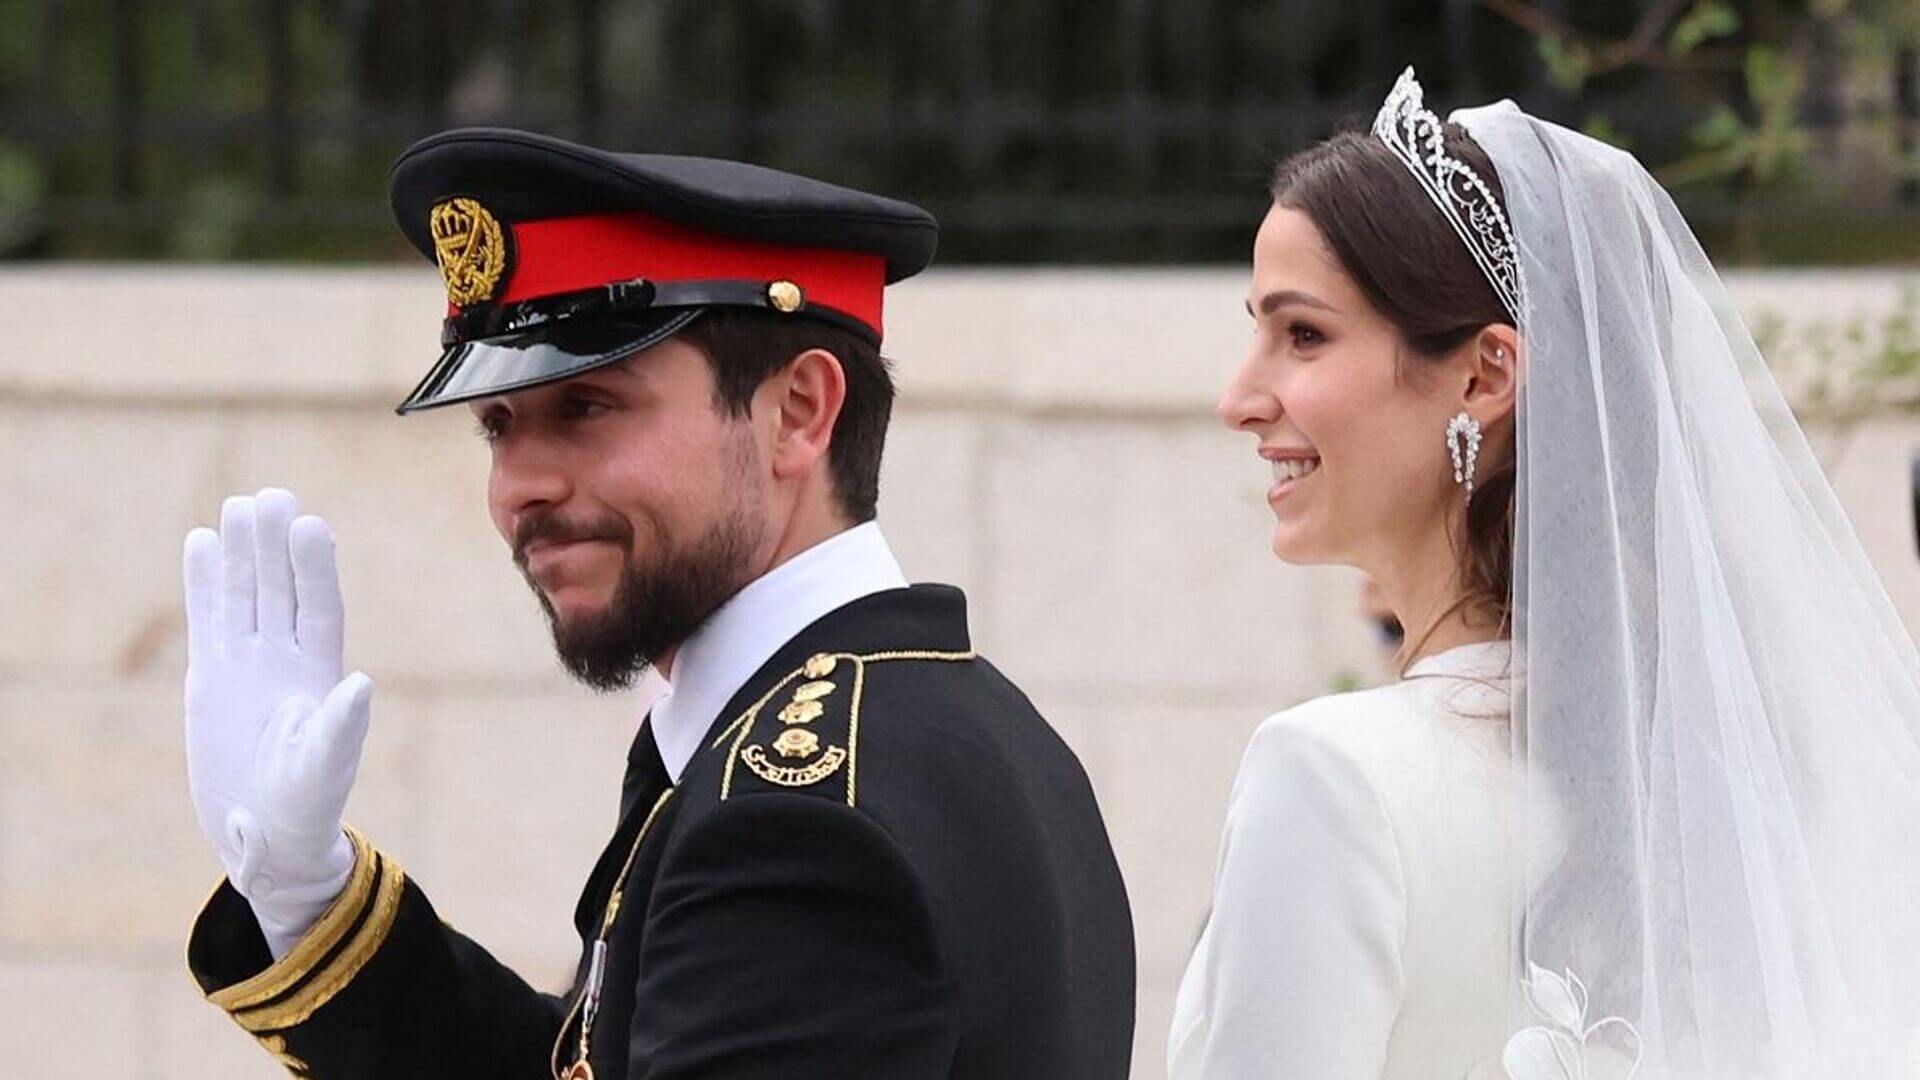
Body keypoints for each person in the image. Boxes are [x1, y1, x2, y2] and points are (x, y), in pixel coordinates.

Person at [180, 127, 1135, 1079]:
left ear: (798, 411)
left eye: (587, 407)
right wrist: (308, 898)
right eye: (498, 427)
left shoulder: (795, 822)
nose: (520, 488)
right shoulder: (952, 726)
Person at [1169, 67, 1920, 1079]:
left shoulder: (1331, 777)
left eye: (1303, 333)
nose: (1241, 397)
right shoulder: (1719, 784)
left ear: (1486, 373)